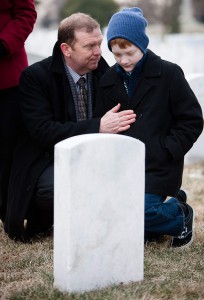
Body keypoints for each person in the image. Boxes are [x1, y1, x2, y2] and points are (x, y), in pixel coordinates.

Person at [4, 12, 136, 242]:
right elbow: (43, 131)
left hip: (100, 155)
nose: (98, 52)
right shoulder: (36, 77)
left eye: (99, 44)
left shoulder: (108, 75)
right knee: (53, 188)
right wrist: (98, 126)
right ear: (66, 49)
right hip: (49, 158)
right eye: (89, 46)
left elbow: (125, 121)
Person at [97, 7, 203, 248]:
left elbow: (191, 119)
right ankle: (168, 209)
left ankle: (180, 214)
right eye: (116, 55)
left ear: (142, 45)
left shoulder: (169, 73)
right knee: (113, 217)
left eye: (129, 53)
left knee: (140, 214)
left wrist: (167, 149)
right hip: (122, 167)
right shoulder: (107, 81)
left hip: (159, 164)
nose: (123, 61)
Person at [0, 0, 37, 222]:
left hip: (6, 75)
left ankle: (8, 209)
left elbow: (26, 14)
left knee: (8, 147)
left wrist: (4, 44)